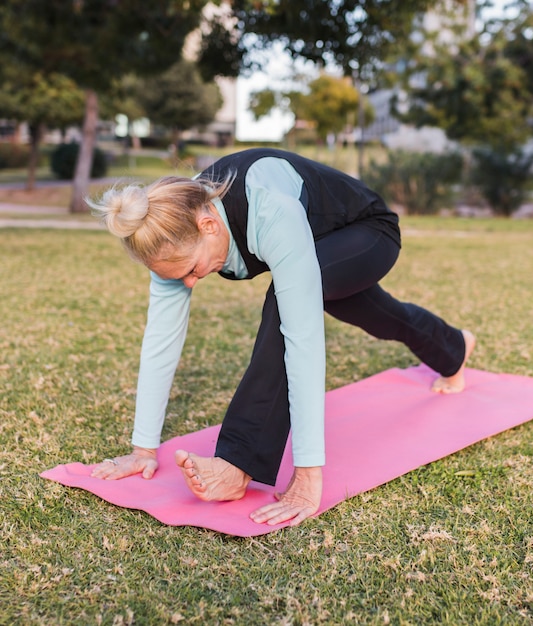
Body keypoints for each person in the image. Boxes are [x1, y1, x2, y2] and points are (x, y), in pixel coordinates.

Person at [88, 148, 475, 527]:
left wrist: (308, 473)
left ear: (209, 225)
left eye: (192, 269)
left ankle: (238, 463)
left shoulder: (268, 208)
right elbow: (161, 339)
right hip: (315, 246)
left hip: (366, 231)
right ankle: (453, 348)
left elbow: (302, 340)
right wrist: (143, 448)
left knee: (284, 304)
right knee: (378, 315)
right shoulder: (168, 228)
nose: (190, 282)